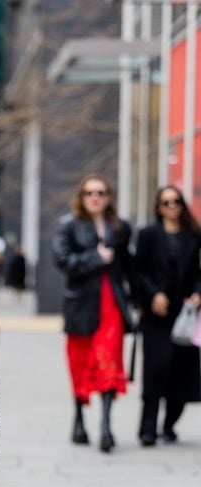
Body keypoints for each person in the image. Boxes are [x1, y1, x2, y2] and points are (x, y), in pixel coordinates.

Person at [52, 175, 134, 452]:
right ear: (82, 197)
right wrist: (96, 258)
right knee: (81, 362)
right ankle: (79, 418)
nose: (95, 197)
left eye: (100, 192)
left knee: (109, 360)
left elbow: (127, 266)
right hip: (82, 305)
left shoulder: (120, 227)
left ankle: (107, 426)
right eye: (89, 193)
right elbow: (62, 260)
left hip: (111, 303)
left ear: (108, 196)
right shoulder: (68, 226)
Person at [134, 185, 201, 445]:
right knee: (155, 370)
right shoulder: (148, 235)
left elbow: (199, 274)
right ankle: (148, 428)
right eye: (166, 202)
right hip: (156, 315)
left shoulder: (194, 236)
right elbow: (138, 271)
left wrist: (197, 293)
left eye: (176, 201)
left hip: (184, 313)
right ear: (158, 207)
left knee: (182, 372)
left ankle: (170, 423)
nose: (171, 206)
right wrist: (153, 294)